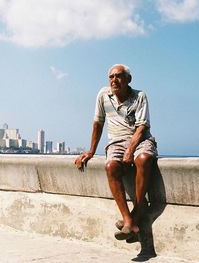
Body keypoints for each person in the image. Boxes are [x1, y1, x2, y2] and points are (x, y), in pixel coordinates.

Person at [75, 64, 157, 241]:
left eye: (119, 76)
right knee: (111, 166)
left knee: (143, 159)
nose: (114, 80)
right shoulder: (103, 95)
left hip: (139, 139)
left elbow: (142, 126)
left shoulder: (139, 96)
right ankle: (130, 220)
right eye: (111, 77)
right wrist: (91, 151)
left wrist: (131, 149)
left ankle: (137, 211)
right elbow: (98, 123)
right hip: (116, 141)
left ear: (128, 79)